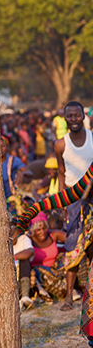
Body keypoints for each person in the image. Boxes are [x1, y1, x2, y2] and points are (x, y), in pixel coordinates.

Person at [55, 101, 93, 310]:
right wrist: (62, 200)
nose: (73, 119)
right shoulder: (61, 144)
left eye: (76, 115)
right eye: (69, 116)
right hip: (72, 200)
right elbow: (61, 173)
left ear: (83, 116)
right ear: (64, 118)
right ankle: (69, 296)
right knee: (72, 245)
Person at [29, 212, 67, 301]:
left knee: (65, 256)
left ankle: (73, 287)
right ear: (33, 231)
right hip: (41, 275)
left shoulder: (53, 235)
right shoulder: (28, 240)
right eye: (38, 230)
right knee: (37, 270)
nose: (42, 232)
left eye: (44, 228)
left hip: (57, 270)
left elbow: (72, 240)